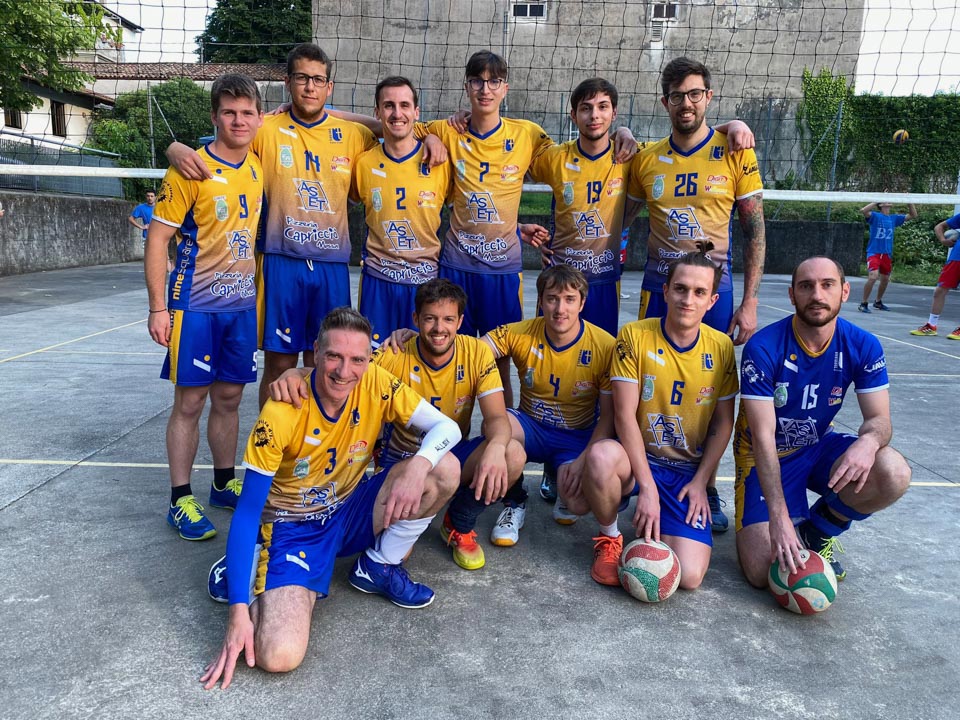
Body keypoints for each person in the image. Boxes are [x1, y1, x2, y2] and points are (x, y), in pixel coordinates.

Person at [201, 308, 462, 690]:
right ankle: (249, 566)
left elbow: (447, 427)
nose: (344, 371)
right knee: (279, 655)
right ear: (316, 353)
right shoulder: (282, 411)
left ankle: (378, 566)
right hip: (292, 526)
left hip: (350, 508)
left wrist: (419, 465)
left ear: (369, 359)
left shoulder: (376, 381)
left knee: (445, 469)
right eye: (334, 357)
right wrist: (238, 612)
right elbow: (247, 512)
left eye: (357, 359)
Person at [166, 43, 379, 407]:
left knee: (325, 361)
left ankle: (315, 436)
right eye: (302, 78)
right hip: (280, 262)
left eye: (318, 80)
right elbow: (219, 146)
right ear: (287, 82)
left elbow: (390, 128)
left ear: (329, 87)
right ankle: (272, 433)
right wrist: (174, 148)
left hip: (332, 266)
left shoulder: (353, 135)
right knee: (280, 365)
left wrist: (334, 112)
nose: (309, 87)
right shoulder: (265, 130)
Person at [271, 279, 527, 571]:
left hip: (450, 455)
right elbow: (345, 374)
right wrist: (297, 372)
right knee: (397, 554)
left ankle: (458, 521)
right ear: (415, 319)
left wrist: (495, 447)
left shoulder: (476, 353)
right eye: (430, 318)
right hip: (400, 460)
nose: (439, 328)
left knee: (512, 452)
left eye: (448, 319)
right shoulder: (394, 354)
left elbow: (497, 419)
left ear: (460, 322)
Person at [625, 56, 766, 532]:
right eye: (677, 96)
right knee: (649, 388)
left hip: (714, 292)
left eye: (695, 94)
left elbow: (755, 231)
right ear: (664, 101)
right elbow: (617, 215)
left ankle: (705, 483)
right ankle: (641, 475)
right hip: (658, 289)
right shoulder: (646, 159)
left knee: (709, 395)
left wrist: (750, 302)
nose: (686, 103)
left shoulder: (735, 150)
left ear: (708, 97)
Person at [531, 77, 757, 338]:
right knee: (547, 352)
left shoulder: (632, 156)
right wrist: (518, 229)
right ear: (573, 115)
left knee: (602, 356)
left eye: (603, 107)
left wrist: (734, 124)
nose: (594, 115)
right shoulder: (555, 157)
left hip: (605, 281)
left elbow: (692, 139)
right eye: (586, 108)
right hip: (559, 277)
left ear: (614, 113)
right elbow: (505, 176)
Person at [734, 257, 911, 586]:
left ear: (844, 291)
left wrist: (869, 441)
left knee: (893, 471)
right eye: (806, 286)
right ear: (792, 295)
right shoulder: (763, 347)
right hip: (765, 455)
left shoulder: (863, 344)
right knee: (763, 572)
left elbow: (880, 420)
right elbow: (762, 437)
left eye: (827, 285)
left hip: (817, 445)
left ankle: (816, 533)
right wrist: (778, 517)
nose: (817, 295)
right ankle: (790, 523)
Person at [570, 245, 738, 587]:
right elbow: (624, 416)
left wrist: (701, 481)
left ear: (712, 301)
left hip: (685, 471)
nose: (687, 299)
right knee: (600, 459)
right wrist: (647, 487)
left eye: (699, 292)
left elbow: (723, 423)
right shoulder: (634, 336)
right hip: (637, 461)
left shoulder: (721, 347)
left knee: (688, 577)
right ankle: (610, 537)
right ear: (665, 290)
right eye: (680, 288)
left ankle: (661, 516)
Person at [144, 74, 264, 540]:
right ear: (214, 116)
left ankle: (222, 483)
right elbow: (158, 240)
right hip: (194, 305)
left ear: (258, 118)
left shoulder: (258, 165)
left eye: (247, 112)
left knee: (230, 399)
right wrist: (158, 308)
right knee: (190, 401)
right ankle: (179, 499)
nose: (238, 121)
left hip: (241, 306)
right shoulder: (188, 169)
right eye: (229, 112)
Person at [481, 265, 616, 546]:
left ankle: (559, 472)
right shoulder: (521, 333)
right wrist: (415, 337)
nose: (560, 309)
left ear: (582, 303)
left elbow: (608, 416)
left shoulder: (604, 345)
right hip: (531, 427)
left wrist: (584, 459)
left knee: (578, 505)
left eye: (569, 299)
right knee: (495, 427)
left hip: (575, 435)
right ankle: (515, 502)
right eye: (552, 298)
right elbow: (470, 351)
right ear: (541, 301)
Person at [350, 77, 453, 346]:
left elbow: (467, 212)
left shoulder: (441, 162)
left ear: (416, 112)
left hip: (424, 284)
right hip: (378, 282)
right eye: (389, 106)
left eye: (405, 105)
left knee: (421, 361)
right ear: (377, 112)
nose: (397, 113)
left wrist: (516, 227)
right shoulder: (363, 163)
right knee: (376, 361)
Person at [858, 200, 917, 312]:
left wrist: (909, 202)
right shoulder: (875, 216)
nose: (889, 201)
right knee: (873, 276)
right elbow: (864, 211)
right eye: (886, 200)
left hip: (886, 253)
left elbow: (913, 215)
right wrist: (877, 200)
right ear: (881, 205)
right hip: (874, 252)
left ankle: (878, 301)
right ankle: (863, 303)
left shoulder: (893, 218)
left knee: (885, 279)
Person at [910, 212, 960, 339]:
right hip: (956, 258)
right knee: (939, 291)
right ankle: (931, 326)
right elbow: (939, 227)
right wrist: (943, 240)